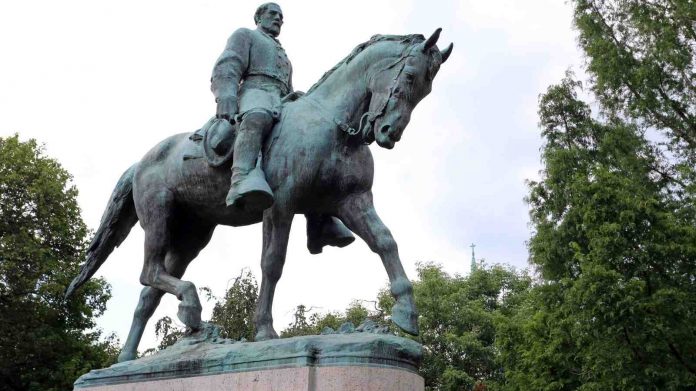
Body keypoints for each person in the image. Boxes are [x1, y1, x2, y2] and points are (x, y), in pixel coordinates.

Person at [211, 3, 354, 253]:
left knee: (311, 142)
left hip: (282, 99)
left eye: (281, 17)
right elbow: (228, 64)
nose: (278, 19)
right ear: (259, 17)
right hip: (254, 92)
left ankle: (320, 222)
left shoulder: (284, 55)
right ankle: (241, 177)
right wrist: (226, 94)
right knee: (257, 117)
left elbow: (287, 87)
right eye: (273, 14)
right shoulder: (246, 35)